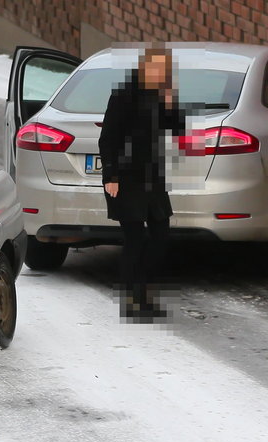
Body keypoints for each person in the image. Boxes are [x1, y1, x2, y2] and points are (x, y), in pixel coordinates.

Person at [99, 46, 186, 321]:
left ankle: (143, 293)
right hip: (126, 178)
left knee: (161, 235)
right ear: (144, 67)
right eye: (155, 67)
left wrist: (171, 101)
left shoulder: (160, 95)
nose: (159, 73)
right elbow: (108, 138)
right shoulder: (124, 94)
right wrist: (110, 176)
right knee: (135, 239)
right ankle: (133, 302)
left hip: (153, 178)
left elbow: (177, 129)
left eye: (164, 69)